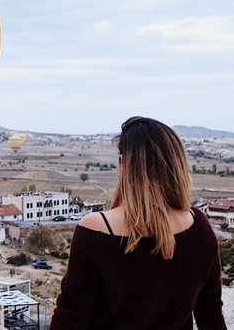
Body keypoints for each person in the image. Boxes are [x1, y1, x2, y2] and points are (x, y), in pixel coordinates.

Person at [49, 116, 226, 330]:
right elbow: (211, 315)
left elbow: (69, 320)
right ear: (177, 164)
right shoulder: (199, 226)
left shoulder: (95, 231)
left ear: (122, 164)